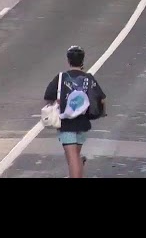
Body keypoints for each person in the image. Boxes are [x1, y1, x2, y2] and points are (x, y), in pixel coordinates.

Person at [43, 46, 107, 178]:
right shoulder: (88, 78)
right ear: (82, 61)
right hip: (83, 123)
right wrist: (101, 112)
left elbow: (48, 96)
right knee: (75, 157)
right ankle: (79, 166)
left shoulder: (61, 77)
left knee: (72, 158)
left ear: (68, 60)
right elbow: (101, 98)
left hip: (66, 123)